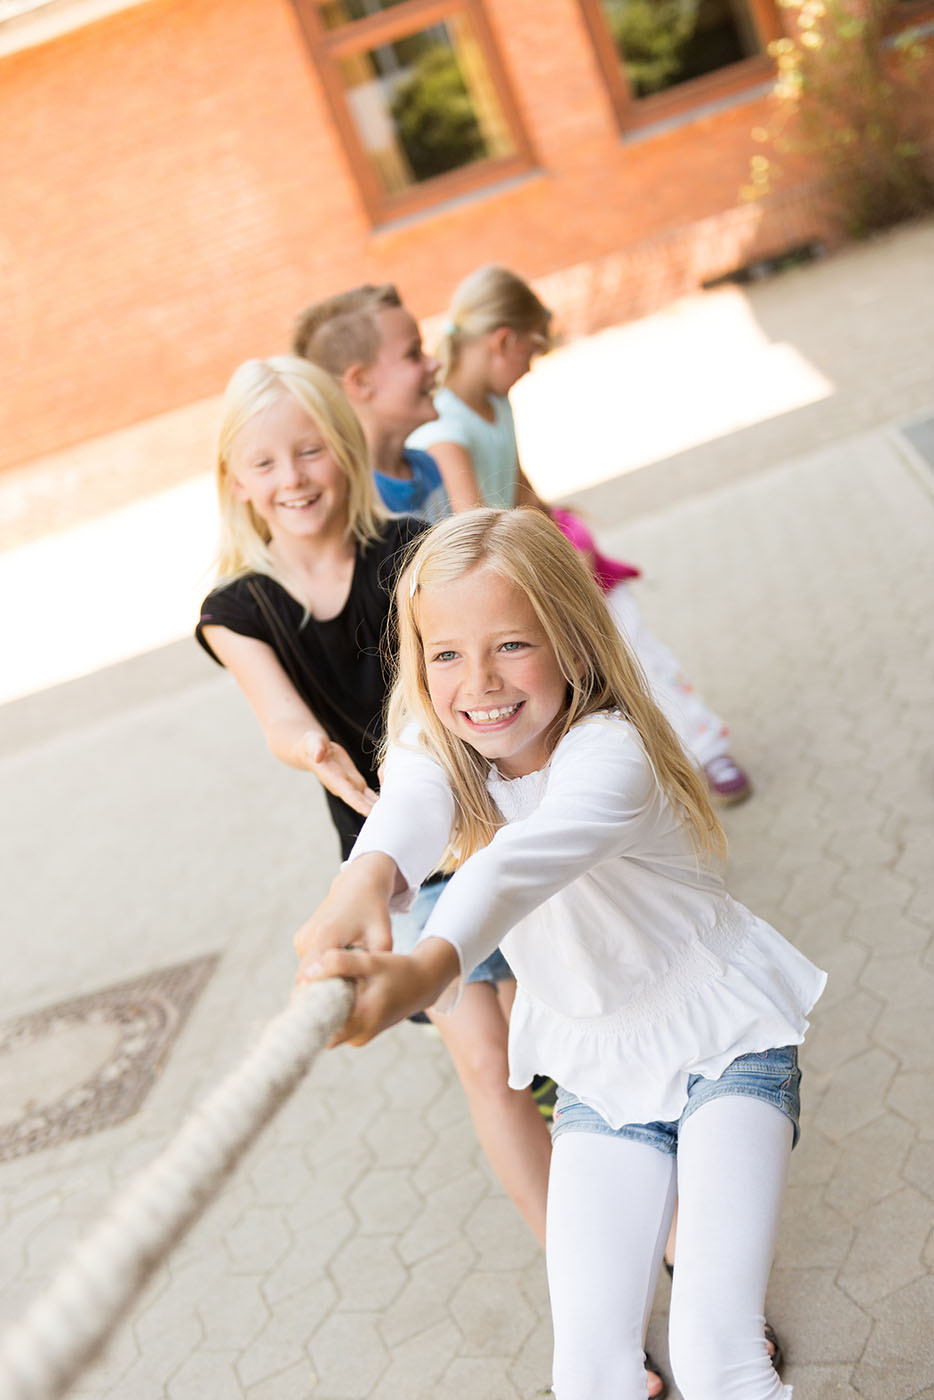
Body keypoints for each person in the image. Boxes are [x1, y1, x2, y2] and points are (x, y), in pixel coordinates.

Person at [295, 508, 826, 1400]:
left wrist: (427, 969)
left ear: (574, 646)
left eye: (511, 645)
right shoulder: (443, 741)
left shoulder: (609, 754)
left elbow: (513, 870)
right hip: (597, 1069)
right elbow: (409, 808)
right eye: (447, 654)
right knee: (588, 1372)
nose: (479, 684)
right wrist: (361, 884)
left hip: (724, 1042)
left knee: (714, 1350)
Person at [195, 357, 551, 1243]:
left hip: (502, 822)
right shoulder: (235, 609)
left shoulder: (407, 552)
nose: (292, 479)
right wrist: (306, 746)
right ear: (235, 479)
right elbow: (276, 711)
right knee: (485, 1059)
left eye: (309, 451)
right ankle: (574, 1261)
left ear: (344, 449)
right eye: (266, 462)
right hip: (397, 863)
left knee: (560, 1038)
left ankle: (665, 1242)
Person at [407, 264, 752, 805]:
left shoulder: (496, 404)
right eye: (532, 350)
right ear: (503, 341)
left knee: (626, 631)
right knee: (613, 643)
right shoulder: (446, 432)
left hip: (533, 561)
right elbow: (473, 534)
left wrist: (567, 538)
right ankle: (687, 753)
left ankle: (691, 749)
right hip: (504, 586)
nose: (530, 366)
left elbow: (518, 485)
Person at [292, 284, 449, 522]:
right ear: (361, 382)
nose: (434, 364)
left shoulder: (427, 467)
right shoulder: (350, 502)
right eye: (413, 354)